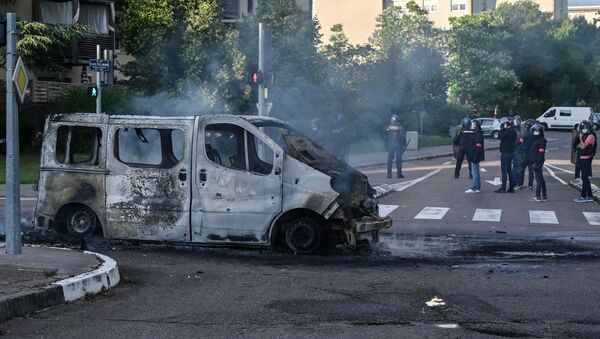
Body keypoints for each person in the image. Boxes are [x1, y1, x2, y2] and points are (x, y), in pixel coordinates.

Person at [575, 120, 597, 202]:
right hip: (582, 158)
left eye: (585, 128)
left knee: (584, 178)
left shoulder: (590, 136)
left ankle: (583, 196)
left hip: (586, 159)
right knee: (584, 178)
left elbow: (583, 146)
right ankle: (590, 195)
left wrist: (580, 138)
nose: (583, 130)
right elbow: (579, 146)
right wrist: (580, 142)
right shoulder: (585, 136)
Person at [496, 117, 517, 193]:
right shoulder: (513, 131)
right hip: (510, 152)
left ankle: (503, 188)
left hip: (505, 153)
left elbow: (499, 136)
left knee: (504, 171)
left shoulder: (508, 131)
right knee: (509, 171)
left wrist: (502, 129)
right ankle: (511, 188)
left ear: (507, 124)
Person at [529, 124, 548, 201]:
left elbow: (541, 153)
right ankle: (544, 195)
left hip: (537, 162)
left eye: (535, 131)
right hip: (537, 161)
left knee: (538, 179)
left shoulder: (541, 141)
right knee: (541, 179)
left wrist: (536, 164)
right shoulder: (538, 140)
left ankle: (538, 196)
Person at [385, 114, 407, 179]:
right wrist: (404, 145)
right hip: (398, 144)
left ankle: (389, 175)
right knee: (398, 159)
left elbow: (385, 136)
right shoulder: (400, 128)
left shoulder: (388, 128)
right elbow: (403, 137)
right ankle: (399, 174)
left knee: (390, 159)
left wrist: (386, 144)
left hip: (391, 144)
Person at [465, 119, 484, 193]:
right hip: (474, 155)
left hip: (475, 156)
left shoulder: (478, 134)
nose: (472, 126)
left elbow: (478, 146)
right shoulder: (476, 133)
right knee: (476, 172)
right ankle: (477, 187)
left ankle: (473, 187)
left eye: (474, 124)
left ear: (477, 126)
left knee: (474, 172)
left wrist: (474, 156)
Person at [516, 119, 535, 190]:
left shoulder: (526, 134)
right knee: (531, 171)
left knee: (522, 170)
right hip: (532, 155)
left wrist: (516, 144)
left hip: (525, 154)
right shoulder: (535, 135)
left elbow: (520, 141)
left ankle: (520, 184)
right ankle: (530, 185)